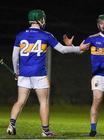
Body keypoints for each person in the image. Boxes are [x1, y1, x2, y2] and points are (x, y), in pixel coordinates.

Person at [6, 9, 89, 137]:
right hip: (39, 74)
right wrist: (78, 48)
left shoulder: (20, 35)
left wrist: (16, 72)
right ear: (40, 20)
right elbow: (62, 50)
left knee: (20, 101)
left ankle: (11, 125)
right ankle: (45, 131)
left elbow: (14, 57)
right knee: (43, 102)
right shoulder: (46, 35)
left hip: (24, 74)